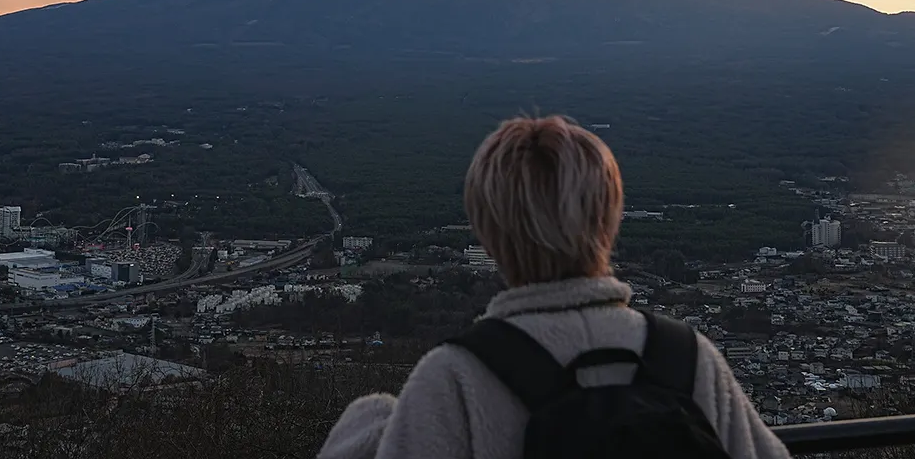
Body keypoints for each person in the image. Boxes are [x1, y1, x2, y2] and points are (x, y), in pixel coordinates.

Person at [319, 115, 790, 459]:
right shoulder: (687, 358)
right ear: (609, 215)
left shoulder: (455, 376)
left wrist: (369, 425)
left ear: (487, 230)